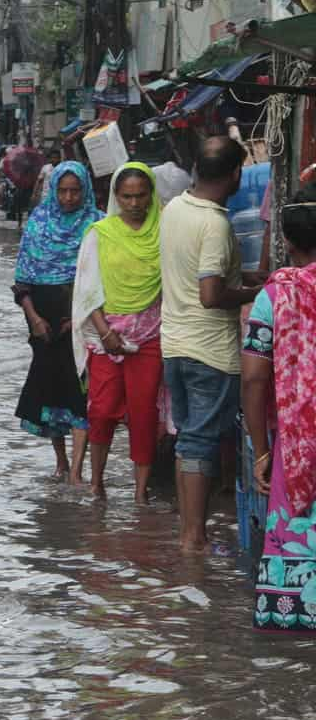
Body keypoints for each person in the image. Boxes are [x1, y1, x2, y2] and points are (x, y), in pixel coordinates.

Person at [159, 136, 259, 553]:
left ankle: (190, 534)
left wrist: (246, 279)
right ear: (236, 174)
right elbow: (211, 294)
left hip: (174, 345)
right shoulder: (216, 224)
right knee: (199, 442)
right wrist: (256, 292)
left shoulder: (174, 208)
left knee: (188, 439)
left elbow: (194, 272)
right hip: (209, 351)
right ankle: (194, 538)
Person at [243, 183, 316, 632]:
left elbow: (253, 377)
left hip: (295, 441)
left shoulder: (274, 297)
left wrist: (261, 449)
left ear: (286, 241)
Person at [71, 162, 164, 502]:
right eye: (127, 197)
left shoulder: (165, 231)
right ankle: (97, 482)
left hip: (150, 335)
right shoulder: (100, 233)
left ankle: (140, 491)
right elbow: (88, 289)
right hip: (105, 336)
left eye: (141, 196)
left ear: (151, 195)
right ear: (116, 197)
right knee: (101, 410)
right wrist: (105, 332)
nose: (134, 204)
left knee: (144, 413)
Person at [13, 161, 103, 482]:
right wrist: (35, 318)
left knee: (80, 392)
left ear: (85, 190)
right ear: (53, 191)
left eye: (75, 191)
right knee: (51, 391)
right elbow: (22, 281)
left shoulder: (97, 225)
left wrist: (78, 319)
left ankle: (77, 471)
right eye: (63, 191)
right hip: (44, 324)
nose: (68, 197)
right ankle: (61, 462)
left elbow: (103, 280)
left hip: (84, 321)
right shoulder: (38, 223)